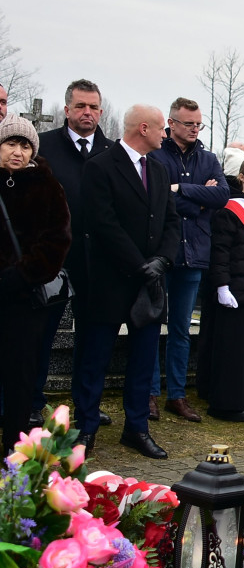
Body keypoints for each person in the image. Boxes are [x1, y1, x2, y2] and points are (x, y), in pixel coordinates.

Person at [76, 105, 179, 459]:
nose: (166, 135)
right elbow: (102, 223)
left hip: (149, 285)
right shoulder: (100, 167)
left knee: (143, 359)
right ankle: (85, 427)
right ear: (145, 129)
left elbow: (171, 220)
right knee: (95, 358)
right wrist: (139, 265)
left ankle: (136, 428)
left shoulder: (160, 170)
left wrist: (163, 260)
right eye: (163, 129)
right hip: (109, 282)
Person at [35, 79, 116, 429]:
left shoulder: (112, 152)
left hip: (96, 262)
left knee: (93, 340)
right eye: (81, 106)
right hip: (53, 259)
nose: (88, 112)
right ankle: (32, 403)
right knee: (41, 336)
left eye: (94, 107)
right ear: (66, 109)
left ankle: (87, 407)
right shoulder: (44, 146)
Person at [148, 97, 228, 424]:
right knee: (151, 326)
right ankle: (149, 392)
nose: (195, 129)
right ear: (172, 124)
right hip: (161, 252)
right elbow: (156, 198)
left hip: (194, 254)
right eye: (188, 124)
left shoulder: (208, 159)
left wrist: (181, 188)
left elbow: (222, 196)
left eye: (199, 124)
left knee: (181, 328)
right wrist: (198, 200)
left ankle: (176, 395)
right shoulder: (155, 156)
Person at [0, 117, 72, 453]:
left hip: (24, 300)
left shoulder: (47, 186)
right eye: (10, 143)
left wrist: (20, 275)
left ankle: (13, 454)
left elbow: (57, 240)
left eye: (25, 145)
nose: (17, 151)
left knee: (20, 380)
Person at [197, 157, 244, 421]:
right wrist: (221, 285)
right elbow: (220, 251)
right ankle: (225, 405)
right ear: (242, 177)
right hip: (232, 290)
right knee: (230, 351)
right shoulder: (228, 208)